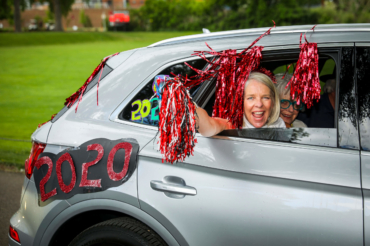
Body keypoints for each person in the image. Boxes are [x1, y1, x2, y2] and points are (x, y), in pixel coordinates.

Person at [195, 72, 285, 137]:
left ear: (273, 102)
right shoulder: (233, 125)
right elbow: (208, 127)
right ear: (241, 102)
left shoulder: (278, 124)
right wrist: (189, 107)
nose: (259, 104)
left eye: (265, 97)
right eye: (251, 98)